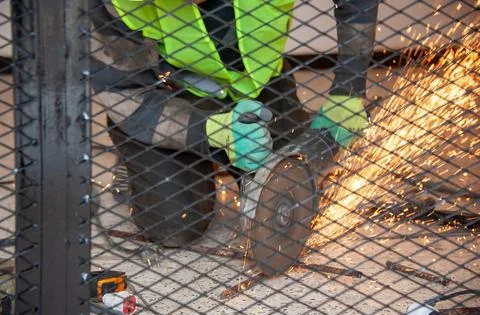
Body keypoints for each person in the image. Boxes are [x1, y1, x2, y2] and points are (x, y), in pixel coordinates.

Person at [89, 0, 379, 247]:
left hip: (261, 82)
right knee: (174, 226)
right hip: (171, 96)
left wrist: (349, 90)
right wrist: (214, 132)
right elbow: (124, 93)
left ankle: (241, 146)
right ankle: (137, 157)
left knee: (297, 187)